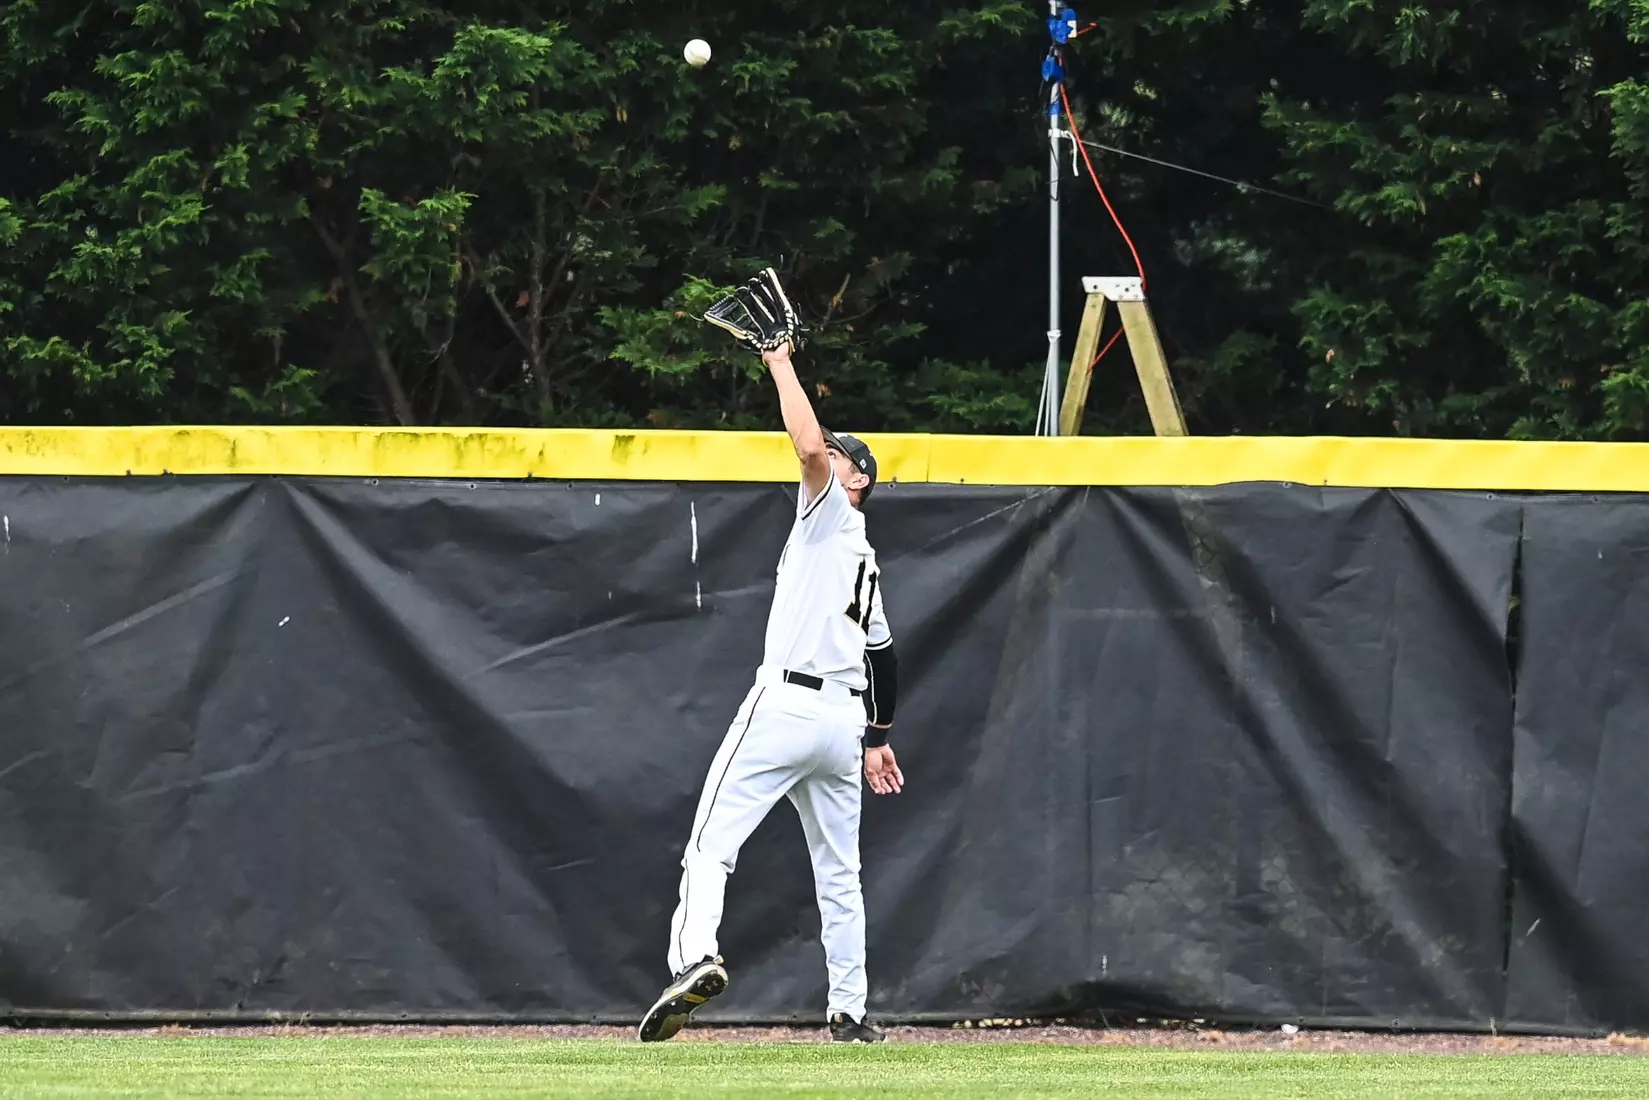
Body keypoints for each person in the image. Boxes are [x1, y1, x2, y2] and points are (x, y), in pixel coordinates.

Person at [638, 342, 904, 1045]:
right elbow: (882, 654)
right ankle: (849, 1012)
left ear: (858, 482)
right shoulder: (867, 561)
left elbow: (808, 450)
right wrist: (877, 738)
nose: (827, 456)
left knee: (709, 847)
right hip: (843, 725)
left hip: (785, 707)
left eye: (843, 458)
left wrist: (780, 362)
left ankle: (692, 960)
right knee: (839, 874)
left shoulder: (830, 519)